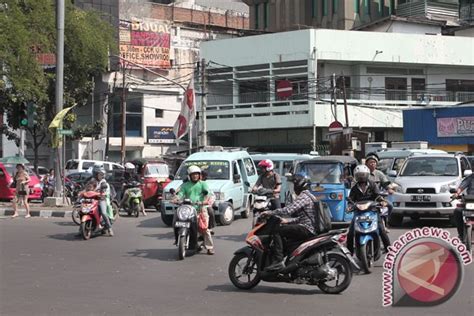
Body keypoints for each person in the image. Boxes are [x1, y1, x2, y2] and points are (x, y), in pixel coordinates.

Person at [261, 173, 317, 271]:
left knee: (277, 231)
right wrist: (288, 221)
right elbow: (303, 217)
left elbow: (288, 210)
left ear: (299, 185)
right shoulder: (309, 195)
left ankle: (278, 261)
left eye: (294, 185)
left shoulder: (303, 197)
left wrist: (270, 213)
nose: (293, 188)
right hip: (309, 226)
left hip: (307, 228)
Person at [346, 164, 391, 255]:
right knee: (350, 233)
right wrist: (350, 206)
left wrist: (381, 201)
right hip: (358, 212)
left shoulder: (372, 184)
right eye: (359, 175)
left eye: (363, 175)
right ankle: (349, 253)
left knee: (382, 230)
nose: (362, 178)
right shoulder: (354, 188)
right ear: (356, 176)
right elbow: (351, 199)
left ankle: (389, 249)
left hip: (372, 211)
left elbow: (377, 196)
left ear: (367, 175)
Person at [172, 165, 215, 255]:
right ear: (189, 176)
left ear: (199, 175)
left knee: (204, 229)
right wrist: (176, 199)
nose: (195, 176)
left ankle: (210, 247)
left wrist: (204, 201)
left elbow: (207, 194)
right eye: (193, 174)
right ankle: (180, 239)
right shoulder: (185, 185)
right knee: (177, 220)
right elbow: (181, 194)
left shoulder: (203, 184)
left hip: (200, 208)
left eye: (197, 174)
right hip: (188, 209)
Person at [365, 153, 394, 230]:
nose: (372, 164)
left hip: (378, 197)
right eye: (370, 162)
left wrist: (389, 189)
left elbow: (385, 183)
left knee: (390, 205)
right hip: (364, 198)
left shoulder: (379, 173)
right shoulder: (363, 173)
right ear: (366, 163)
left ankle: (385, 221)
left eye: (374, 162)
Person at [85, 166, 114, 236]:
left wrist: (102, 193)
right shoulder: (92, 180)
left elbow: (104, 190)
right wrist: (82, 192)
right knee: (84, 211)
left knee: (103, 213)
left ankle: (109, 228)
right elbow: (87, 188)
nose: (102, 176)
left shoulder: (103, 182)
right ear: (96, 174)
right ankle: (81, 229)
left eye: (102, 174)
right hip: (92, 199)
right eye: (100, 174)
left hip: (101, 199)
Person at [453, 172, 474, 241]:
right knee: (457, 211)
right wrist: (457, 193)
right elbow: (462, 186)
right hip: (470, 202)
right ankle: (461, 235)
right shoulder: (470, 177)